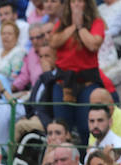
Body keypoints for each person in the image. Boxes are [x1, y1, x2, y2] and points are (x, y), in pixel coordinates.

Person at [49, 0, 105, 146]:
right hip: (64, 82)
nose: (76, 4)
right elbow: (54, 41)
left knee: (85, 126)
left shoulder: (96, 23)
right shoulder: (62, 23)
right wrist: (73, 25)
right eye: (73, 1)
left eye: (80, 1)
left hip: (87, 82)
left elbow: (93, 44)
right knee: (62, 126)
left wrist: (80, 27)